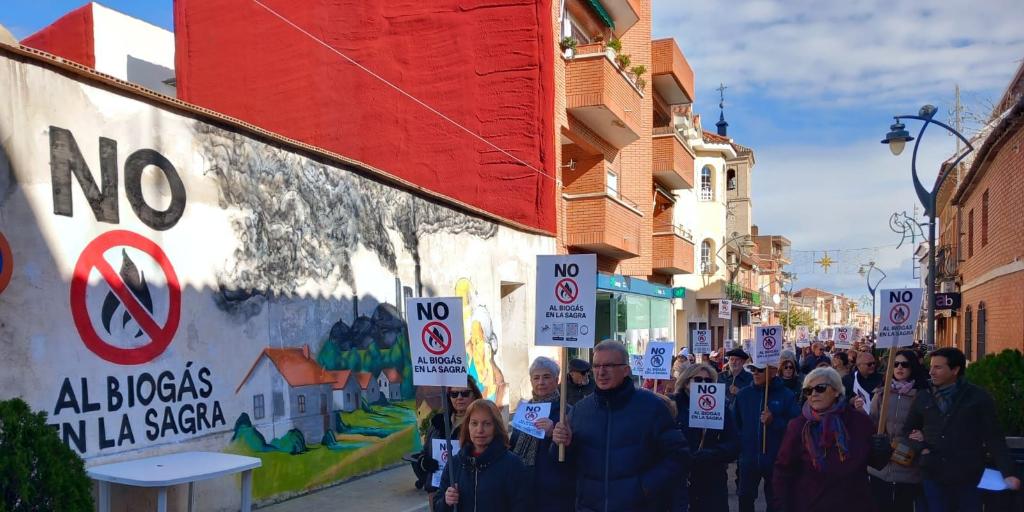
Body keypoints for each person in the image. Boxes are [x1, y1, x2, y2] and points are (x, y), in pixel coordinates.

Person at [552, 340, 689, 511]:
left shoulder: (651, 407)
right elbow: (565, 464)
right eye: (596, 366)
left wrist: (646, 487)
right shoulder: (580, 411)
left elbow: (678, 455)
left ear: (626, 370)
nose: (601, 372)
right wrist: (561, 443)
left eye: (609, 365)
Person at [902, 347, 1021, 511]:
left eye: (938, 367)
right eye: (931, 367)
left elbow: (994, 437)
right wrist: (921, 449)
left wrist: (1008, 473)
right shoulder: (924, 396)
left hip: (968, 476)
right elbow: (907, 430)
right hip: (933, 474)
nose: (931, 372)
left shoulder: (977, 397)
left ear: (955, 370)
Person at [771, 367, 878, 512]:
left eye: (820, 388)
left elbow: (875, 461)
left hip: (854, 503)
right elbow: (783, 470)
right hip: (811, 504)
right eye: (808, 391)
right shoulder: (798, 426)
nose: (813, 394)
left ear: (836, 391)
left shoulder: (859, 422)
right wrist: (781, 506)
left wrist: (882, 450)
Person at [435, 399, 531, 512]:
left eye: (487, 424)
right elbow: (437, 506)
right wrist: (446, 501)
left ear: (496, 427)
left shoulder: (513, 465)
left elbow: (522, 506)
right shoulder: (455, 463)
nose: (480, 430)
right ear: (467, 426)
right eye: (474, 423)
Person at [672, 364, 739, 512]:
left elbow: (734, 443)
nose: (703, 384)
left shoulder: (721, 407)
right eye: (698, 379)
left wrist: (712, 453)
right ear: (686, 382)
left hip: (712, 480)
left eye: (708, 381)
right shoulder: (673, 405)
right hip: (681, 480)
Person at [867, 350, 928, 512]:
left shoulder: (923, 395)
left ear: (912, 367)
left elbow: (933, 426)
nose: (899, 368)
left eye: (904, 364)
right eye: (895, 364)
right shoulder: (881, 394)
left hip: (909, 465)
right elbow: (871, 423)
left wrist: (924, 435)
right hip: (881, 465)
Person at [733, 361, 799, 512]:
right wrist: (740, 449)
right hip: (748, 459)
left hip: (775, 460)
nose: (755, 373)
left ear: (774, 371)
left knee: (775, 502)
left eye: (760, 370)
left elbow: (795, 425)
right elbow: (735, 424)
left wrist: (774, 421)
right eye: (753, 369)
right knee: (745, 499)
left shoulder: (786, 395)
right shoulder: (743, 395)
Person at [510, 357, 572, 512]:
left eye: (546, 377)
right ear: (531, 381)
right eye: (536, 378)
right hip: (521, 486)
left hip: (552, 493)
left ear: (556, 379)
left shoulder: (567, 411)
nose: (541, 382)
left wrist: (553, 434)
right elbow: (512, 446)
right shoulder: (523, 410)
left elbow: (575, 455)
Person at [419, 377, 483, 505]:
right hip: (438, 492)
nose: (459, 398)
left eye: (465, 393)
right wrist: (424, 463)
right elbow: (425, 452)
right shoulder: (438, 422)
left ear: (474, 395)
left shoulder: (482, 424)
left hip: (467, 491)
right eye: (454, 394)